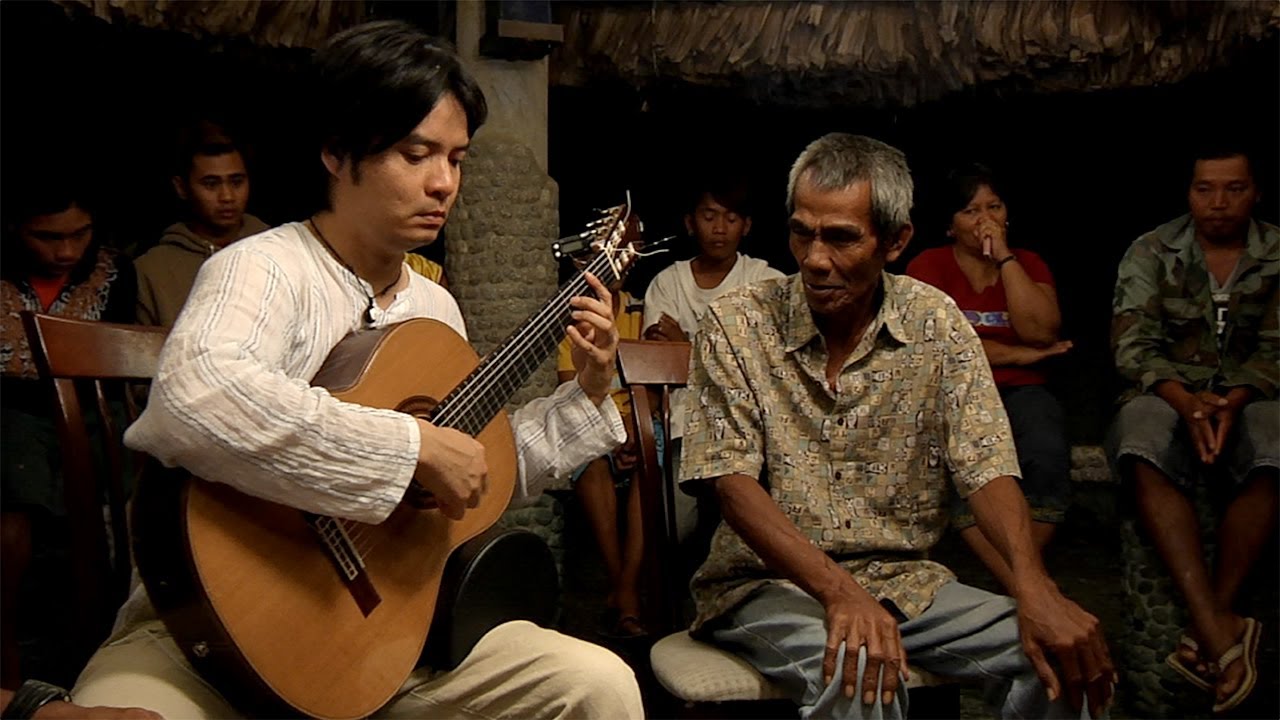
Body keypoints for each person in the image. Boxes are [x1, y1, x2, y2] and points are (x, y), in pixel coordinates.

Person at [70, 21, 644, 720]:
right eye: (416, 153)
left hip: (378, 644)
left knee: (597, 684)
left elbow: (467, 478)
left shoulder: (435, 307)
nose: (444, 183)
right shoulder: (261, 269)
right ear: (337, 153)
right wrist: (414, 446)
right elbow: (198, 399)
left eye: (457, 160)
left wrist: (584, 392)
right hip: (205, 638)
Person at [679, 133, 1114, 719]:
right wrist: (840, 593)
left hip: (907, 583)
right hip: (767, 587)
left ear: (896, 240)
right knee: (860, 671)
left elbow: (985, 465)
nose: (814, 258)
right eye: (802, 231)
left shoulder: (935, 323)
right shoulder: (735, 325)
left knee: (1055, 656)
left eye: (840, 238)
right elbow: (732, 486)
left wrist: (1035, 586)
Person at [1106, 144, 1277, 714]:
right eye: (1206, 188)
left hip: (1253, 394)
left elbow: (1278, 349)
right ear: (1189, 193)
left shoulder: (1277, 252)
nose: (1219, 202)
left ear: (1255, 191)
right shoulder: (1152, 250)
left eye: (1234, 188)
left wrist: (1235, 398)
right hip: (1167, 390)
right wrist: (1187, 402)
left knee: (1275, 441)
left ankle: (1212, 618)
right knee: (1140, 436)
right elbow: (1132, 347)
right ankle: (1220, 630)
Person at [906, 163, 1072, 592]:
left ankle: (1022, 584)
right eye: (970, 211)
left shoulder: (1028, 263)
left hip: (1023, 390)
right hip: (955, 391)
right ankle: (1032, 590)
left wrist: (1004, 258)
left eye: (993, 207)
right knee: (964, 465)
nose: (985, 220)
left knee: (1045, 450)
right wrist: (1021, 353)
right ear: (949, 225)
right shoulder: (928, 267)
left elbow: (1043, 331)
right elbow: (940, 348)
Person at [1, 178, 136, 688]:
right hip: (12, 411)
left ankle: (108, 637)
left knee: (118, 460)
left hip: (91, 409)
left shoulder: (112, 269)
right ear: (16, 229)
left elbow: (114, 358)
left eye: (79, 235)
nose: (65, 251)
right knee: (19, 473)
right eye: (47, 237)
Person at [556, 288, 655, 638]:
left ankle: (623, 587)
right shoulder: (572, 317)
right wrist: (608, 433)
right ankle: (623, 585)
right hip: (593, 419)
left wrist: (633, 428)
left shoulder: (643, 308)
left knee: (650, 465)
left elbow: (654, 380)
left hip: (639, 419)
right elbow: (572, 390)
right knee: (590, 461)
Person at [133, 121, 268, 327]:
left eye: (236, 182)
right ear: (181, 187)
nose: (227, 196)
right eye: (211, 184)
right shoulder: (152, 271)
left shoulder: (277, 251)